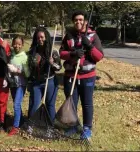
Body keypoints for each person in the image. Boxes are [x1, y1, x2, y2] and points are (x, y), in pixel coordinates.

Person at [59, 10, 104, 139]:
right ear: (73, 22)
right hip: (71, 76)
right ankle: (73, 125)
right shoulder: (69, 35)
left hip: (87, 77)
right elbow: (62, 53)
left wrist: (89, 46)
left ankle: (87, 128)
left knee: (87, 103)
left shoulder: (93, 36)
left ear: (85, 21)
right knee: (71, 103)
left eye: (80, 19)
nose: (78, 22)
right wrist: (72, 54)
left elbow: (99, 56)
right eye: (76, 20)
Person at [27, 27, 61, 132]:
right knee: (34, 104)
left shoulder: (53, 51)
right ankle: (31, 125)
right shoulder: (33, 52)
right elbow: (29, 69)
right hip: (37, 82)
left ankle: (51, 127)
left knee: (50, 105)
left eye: (42, 37)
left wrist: (52, 63)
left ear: (46, 37)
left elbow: (59, 67)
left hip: (50, 81)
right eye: (38, 38)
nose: (40, 39)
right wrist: (29, 82)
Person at [6, 36, 30, 136]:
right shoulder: (11, 56)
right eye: (15, 43)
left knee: (16, 104)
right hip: (13, 84)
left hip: (21, 84)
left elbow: (27, 74)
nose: (17, 46)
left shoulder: (24, 57)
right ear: (12, 44)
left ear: (22, 45)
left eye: (19, 44)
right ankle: (22, 121)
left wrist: (17, 71)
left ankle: (15, 127)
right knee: (17, 104)